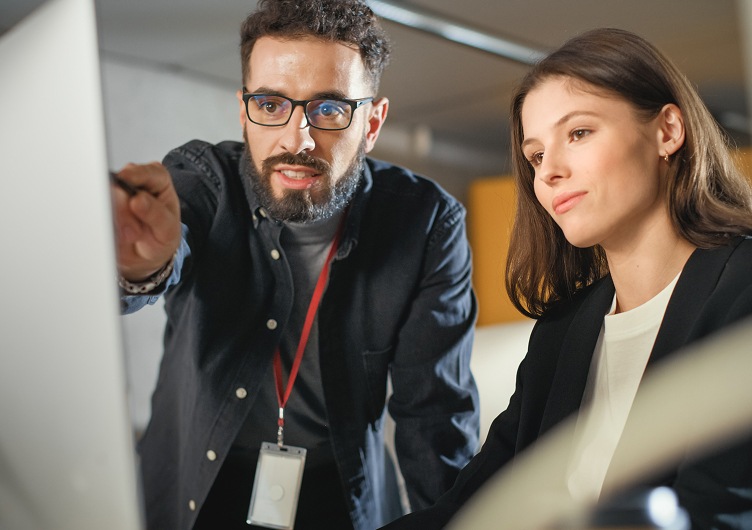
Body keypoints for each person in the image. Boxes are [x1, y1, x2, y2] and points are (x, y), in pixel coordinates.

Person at [110, 1, 480, 529]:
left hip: (340, 491)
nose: (297, 140)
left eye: (329, 110)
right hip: (197, 485)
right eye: (270, 104)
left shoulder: (426, 224)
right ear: (243, 112)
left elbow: (436, 417)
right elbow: (157, 263)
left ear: (371, 124)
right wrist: (143, 264)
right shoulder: (201, 181)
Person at [382, 27, 752, 530]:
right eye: (535, 155)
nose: (549, 171)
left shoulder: (742, 293)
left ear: (668, 131)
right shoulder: (561, 333)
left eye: (578, 133)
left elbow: (722, 510)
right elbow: (468, 511)